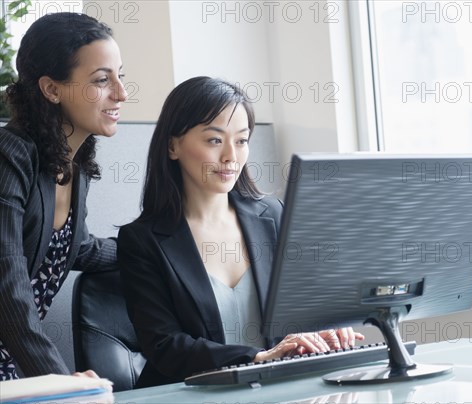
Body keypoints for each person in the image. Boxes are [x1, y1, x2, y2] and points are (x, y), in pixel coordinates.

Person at [117, 76, 364, 388]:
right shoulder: (143, 241)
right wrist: (257, 359)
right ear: (173, 145)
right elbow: (166, 346)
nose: (231, 157)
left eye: (242, 140)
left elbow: (303, 311)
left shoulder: (273, 216)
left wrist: (323, 331)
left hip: (276, 391)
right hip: (193, 394)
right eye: (214, 140)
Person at [0, 12, 127, 380]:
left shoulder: (73, 166)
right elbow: (8, 287)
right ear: (52, 89)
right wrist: (57, 381)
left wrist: (163, 246)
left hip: (15, 366)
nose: (121, 92)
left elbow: (75, 247)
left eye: (121, 76)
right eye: (103, 79)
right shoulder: (9, 155)